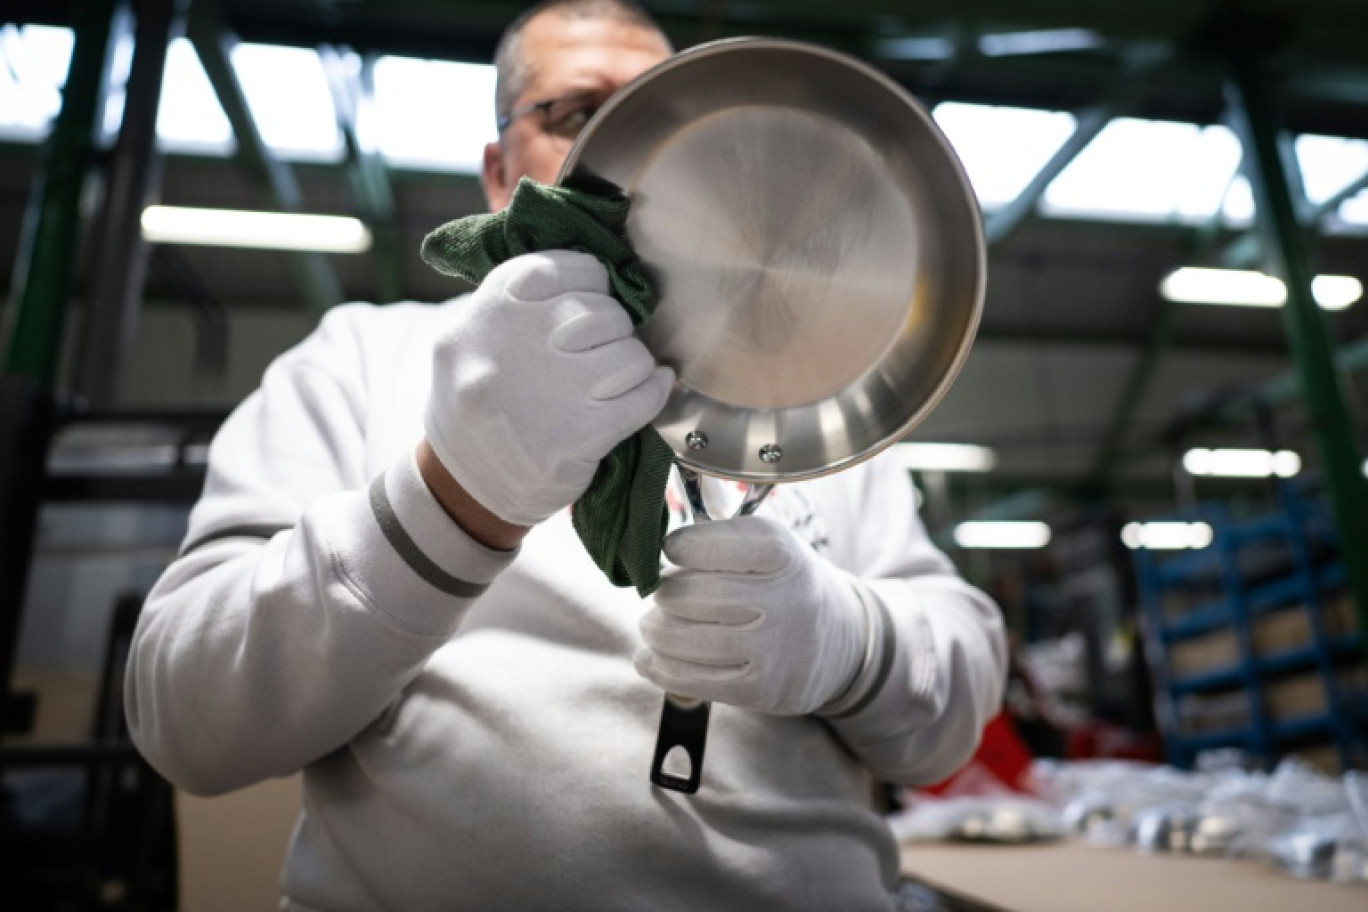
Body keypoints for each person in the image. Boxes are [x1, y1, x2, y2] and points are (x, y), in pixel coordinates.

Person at [124, 2, 1007, 909]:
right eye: (580, 116)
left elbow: (952, 716)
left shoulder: (820, 393)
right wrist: (452, 497)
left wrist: (847, 643)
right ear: (499, 172)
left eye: (666, 120)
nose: (638, 165)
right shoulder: (363, 360)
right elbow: (185, 719)